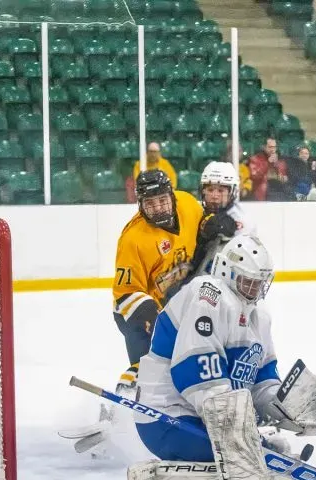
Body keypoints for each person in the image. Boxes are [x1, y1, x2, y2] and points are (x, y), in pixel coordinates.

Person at [90, 235, 316, 480]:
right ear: (226, 272)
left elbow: (262, 381)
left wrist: (289, 410)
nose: (256, 290)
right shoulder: (207, 294)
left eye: (261, 282)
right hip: (167, 418)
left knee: (261, 453)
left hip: (206, 418)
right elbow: (192, 374)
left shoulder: (259, 319)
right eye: (249, 281)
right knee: (246, 459)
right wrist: (241, 436)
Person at [60, 169, 235, 454]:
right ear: (140, 203)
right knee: (149, 365)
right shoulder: (133, 238)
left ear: (171, 195)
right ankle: (115, 410)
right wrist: (153, 319)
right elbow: (125, 293)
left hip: (176, 304)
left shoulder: (188, 204)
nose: (157, 208)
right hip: (137, 311)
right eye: (149, 203)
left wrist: (213, 223)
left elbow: (202, 225)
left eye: (162, 200)